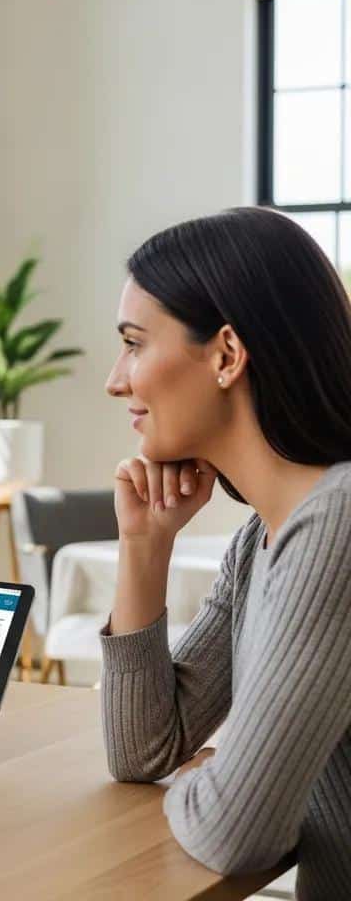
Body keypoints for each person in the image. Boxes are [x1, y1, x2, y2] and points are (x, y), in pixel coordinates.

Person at [101, 206, 351, 899]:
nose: (116, 380)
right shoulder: (262, 538)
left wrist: (214, 777)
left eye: (134, 344)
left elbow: (237, 830)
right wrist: (145, 545)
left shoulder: (338, 524)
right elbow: (142, 749)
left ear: (227, 355)